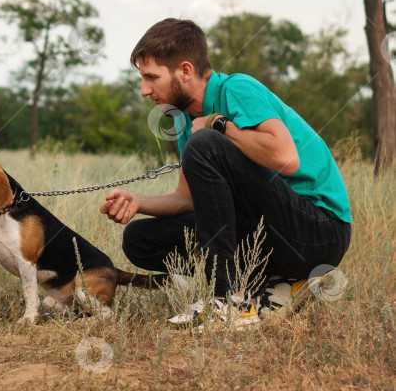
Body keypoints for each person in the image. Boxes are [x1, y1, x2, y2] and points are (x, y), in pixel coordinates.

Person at [100, 18, 352, 327]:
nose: (143, 90)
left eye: (152, 77)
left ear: (185, 70)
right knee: (140, 239)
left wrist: (219, 125)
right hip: (271, 232)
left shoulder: (236, 88)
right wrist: (139, 202)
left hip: (319, 233)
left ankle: (223, 298)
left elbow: (287, 159)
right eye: (142, 78)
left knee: (206, 141)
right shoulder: (184, 118)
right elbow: (187, 199)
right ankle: (272, 283)